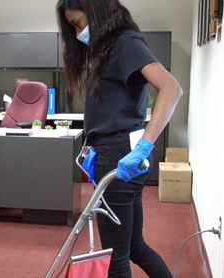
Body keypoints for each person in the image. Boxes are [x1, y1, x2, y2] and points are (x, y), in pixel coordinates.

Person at [57, 0, 183, 277]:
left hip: (120, 154)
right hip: (116, 152)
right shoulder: (110, 50)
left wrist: (144, 146)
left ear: (96, 12)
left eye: (78, 24)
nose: (78, 34)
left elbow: (171, 89)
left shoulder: (125, 42)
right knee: (135, 246)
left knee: (116, 259)